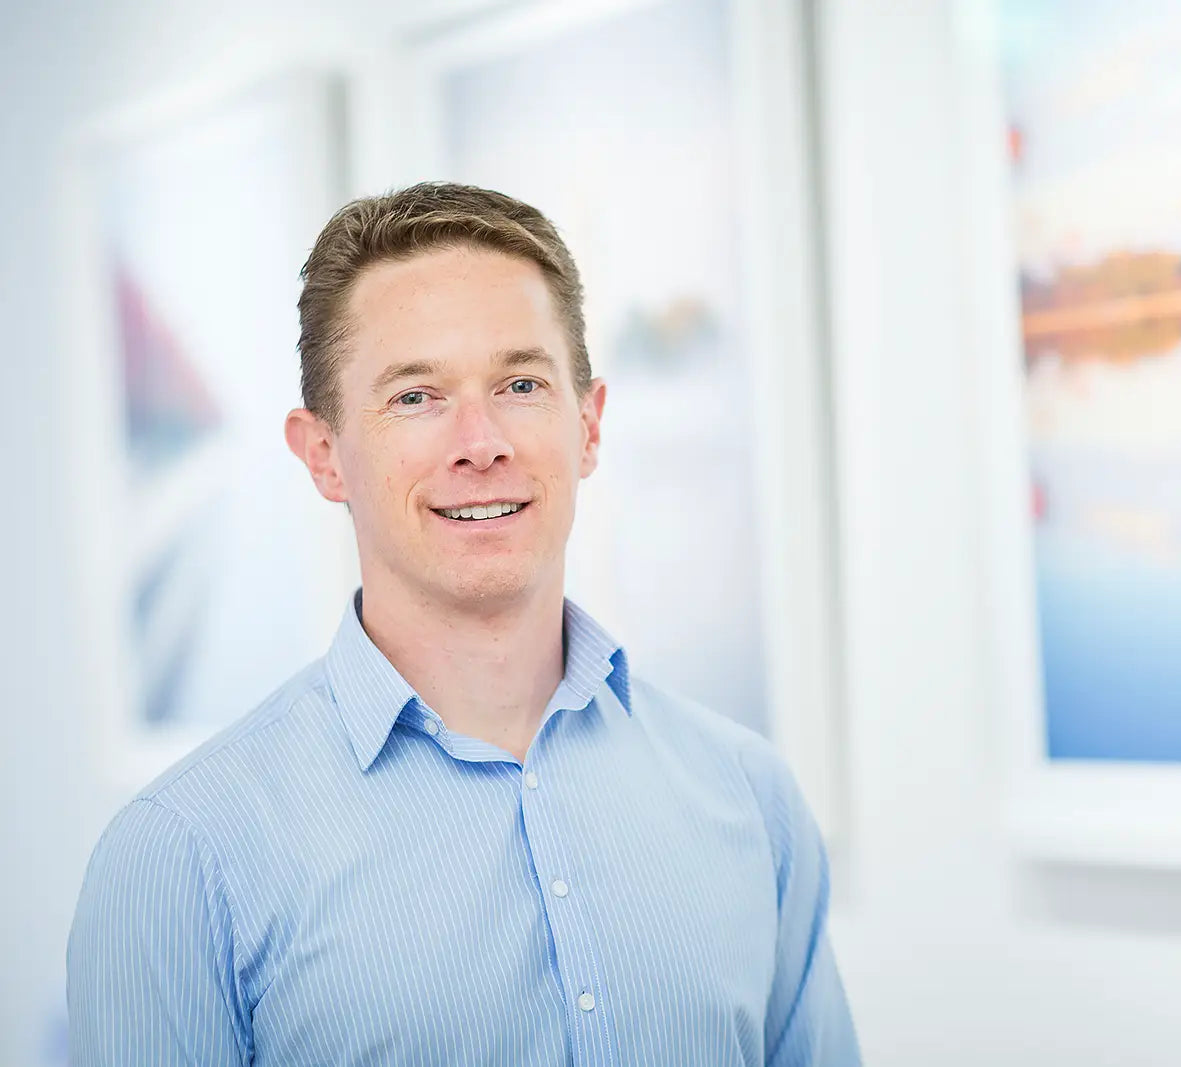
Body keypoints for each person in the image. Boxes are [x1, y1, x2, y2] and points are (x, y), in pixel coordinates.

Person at [66, 181, 859, 1066]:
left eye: (520, 383)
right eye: (416, 396)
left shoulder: (751, 799)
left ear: (588, 426)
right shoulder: (180, 862)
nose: (480, 442)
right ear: (323, 455)